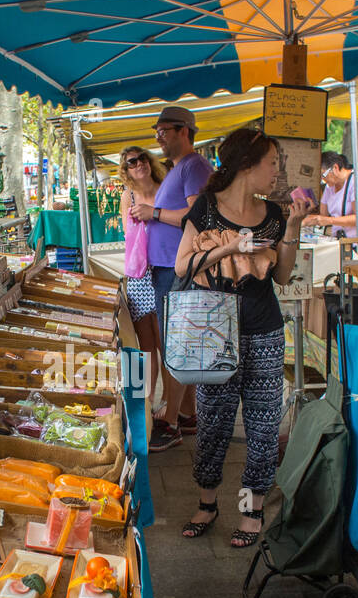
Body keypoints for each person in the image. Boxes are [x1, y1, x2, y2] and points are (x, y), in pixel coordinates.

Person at [173, 129, 313, 547]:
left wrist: (292, 227)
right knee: (213, 420)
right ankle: (207, 502)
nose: (278, 171)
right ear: (247, 166)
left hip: (264, 327)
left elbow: (284, 276)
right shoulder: (205, 210)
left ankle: (252, 509)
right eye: (272, 162)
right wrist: (229, 247)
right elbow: (182, 267)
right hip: (212, 329)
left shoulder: (274, 212)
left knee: (265, 423)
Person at [130, 106, 213, 452]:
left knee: (176, 347)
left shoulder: (193, 166)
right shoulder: (179, 169)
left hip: (178, 271)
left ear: (184, 131)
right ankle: (189, 413)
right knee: (180, 345)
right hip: (168, 270)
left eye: (163, 131)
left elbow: (200, 216)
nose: (158, 137)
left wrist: (155, 213)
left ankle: (171, 421)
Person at [118, 145, 167, 417]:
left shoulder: (165, 189)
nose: (140, 164)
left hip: (164, 268)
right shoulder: (129, 196)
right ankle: (148, 402)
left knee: (165, 341)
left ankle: (172, 405)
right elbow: (130, 235)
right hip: (139, 274)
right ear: (126, 171)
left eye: (143, 158)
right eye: (132, 162)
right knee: (145, 344)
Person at [307, 153, 358, 257]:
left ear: (335, 168)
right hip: (343, 243)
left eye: (323, 175)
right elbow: (323, 214)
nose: (323, 179)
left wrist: (330, 220)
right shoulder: (329, 187)